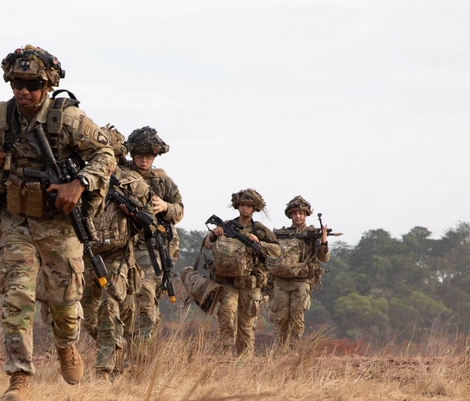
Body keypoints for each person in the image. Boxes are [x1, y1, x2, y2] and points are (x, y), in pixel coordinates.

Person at [0, 44, 116, 401]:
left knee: (65, 301)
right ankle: (19, 377)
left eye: (32, 85)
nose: (24, 92)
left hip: (60, 225)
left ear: (47, 84)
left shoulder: (70, 118)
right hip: (16, 221)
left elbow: (105, 154)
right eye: (17, 83)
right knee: (16, 296)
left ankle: (66, 346)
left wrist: (80, 183)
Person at [81, 126, 150, 378]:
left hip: (118, 256)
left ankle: (105, 370)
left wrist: (134, 214)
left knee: (109, 305)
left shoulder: (133, 184)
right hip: (87, 254)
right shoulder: (81, 179)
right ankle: (115, 348)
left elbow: (150, 223)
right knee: (88, 316)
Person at [202, 188, 280, 357]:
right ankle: (225, 354)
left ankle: (244, 361)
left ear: (254, 208)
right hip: (227, 281)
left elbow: (276, 250)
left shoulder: (259, 229)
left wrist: (259, 243)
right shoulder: (226, 225)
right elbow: (207, 244)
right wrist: (214, 235)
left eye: (249, 205)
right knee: (226, 315)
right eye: (242, 205)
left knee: (246, 324)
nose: (245, 208)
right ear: (237, 206)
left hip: (249, 284)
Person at [125, 126, 184, 344]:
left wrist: (165, 207)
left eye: (148, 156)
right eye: (140, 155)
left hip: (151, 249)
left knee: (145, 298)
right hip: (122, 246)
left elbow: (180, 210)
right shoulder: (120, 175)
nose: (143, 160)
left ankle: (140, 355)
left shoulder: (162, 181)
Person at [269, 195, 330, 347]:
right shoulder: (282, 234)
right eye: (295, 213)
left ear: (305, 215)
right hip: (281, 282)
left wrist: (323, 242)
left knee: (296, 318)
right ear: (290, 215)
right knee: (280, 318)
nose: (298, 216)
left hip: (301, 282)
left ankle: (293, 350)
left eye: (301, 213)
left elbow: (323, 258)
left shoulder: (312, 234)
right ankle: (279, 351)